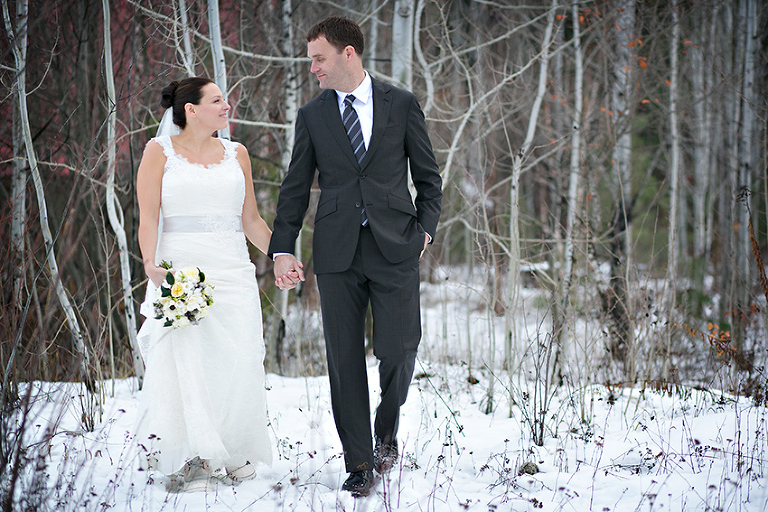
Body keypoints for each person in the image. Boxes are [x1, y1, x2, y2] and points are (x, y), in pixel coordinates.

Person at [269, 17, 442, 497]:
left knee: (401, 347)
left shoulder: (401, 103)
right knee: (344, 360)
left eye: (319, 59)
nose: (313, 69)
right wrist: (284, 249)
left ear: (349, 54)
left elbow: (429, 178)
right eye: (310, 61)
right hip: (337, 252)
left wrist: (425, 232)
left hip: (396, 244)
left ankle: (386, 430)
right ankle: (361, 462)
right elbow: (294, 189)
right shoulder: (312, 116)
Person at [134, 77, 282, 492]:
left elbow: (250, 220)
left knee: (237, 358)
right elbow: (148, 216)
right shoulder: (158, 151)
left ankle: (233, 450)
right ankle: (194, 456)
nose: (227, 105)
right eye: (217, 100)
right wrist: (150, 262)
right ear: (191, 110)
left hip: (233, 268)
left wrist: (282, 254)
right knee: (187, 362)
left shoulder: (237, 153)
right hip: (180, 269)